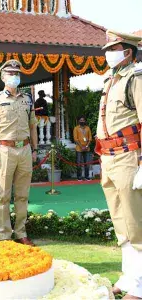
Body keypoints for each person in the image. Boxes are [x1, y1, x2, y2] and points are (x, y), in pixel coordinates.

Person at [95, 30, 142, 299]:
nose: (107, 53)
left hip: (129, 156)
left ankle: (139, 285)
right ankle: (128, 278)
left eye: (113, 48)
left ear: (128, 52)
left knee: (136, 223)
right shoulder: (111, 80)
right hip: (109, 157)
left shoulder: (136, 78)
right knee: (121, 223)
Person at [0, 59, 38, 246]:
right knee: (4, 195)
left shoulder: (27, 99)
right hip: (4, 149)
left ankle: (21, 232)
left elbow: (33, 126)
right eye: (10, 74)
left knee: (23, 195)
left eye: (16, 74)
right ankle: (4, 235)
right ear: (2, 77)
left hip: (24, 149)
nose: (14, 77)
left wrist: (35, 149)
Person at [73, 116, 92, 181]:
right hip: (79, 149)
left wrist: (86, 146)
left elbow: (90, 139)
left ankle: (87, 176)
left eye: (83, 120)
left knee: (87, 163)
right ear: (79, 121)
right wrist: (81, 146)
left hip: (87, 148)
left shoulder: (88, 128)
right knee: (79, 163)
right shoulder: (76, 128)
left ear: (85, 121)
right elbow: (75, 139)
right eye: (81, 120)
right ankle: (79, 177)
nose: (82, 121)